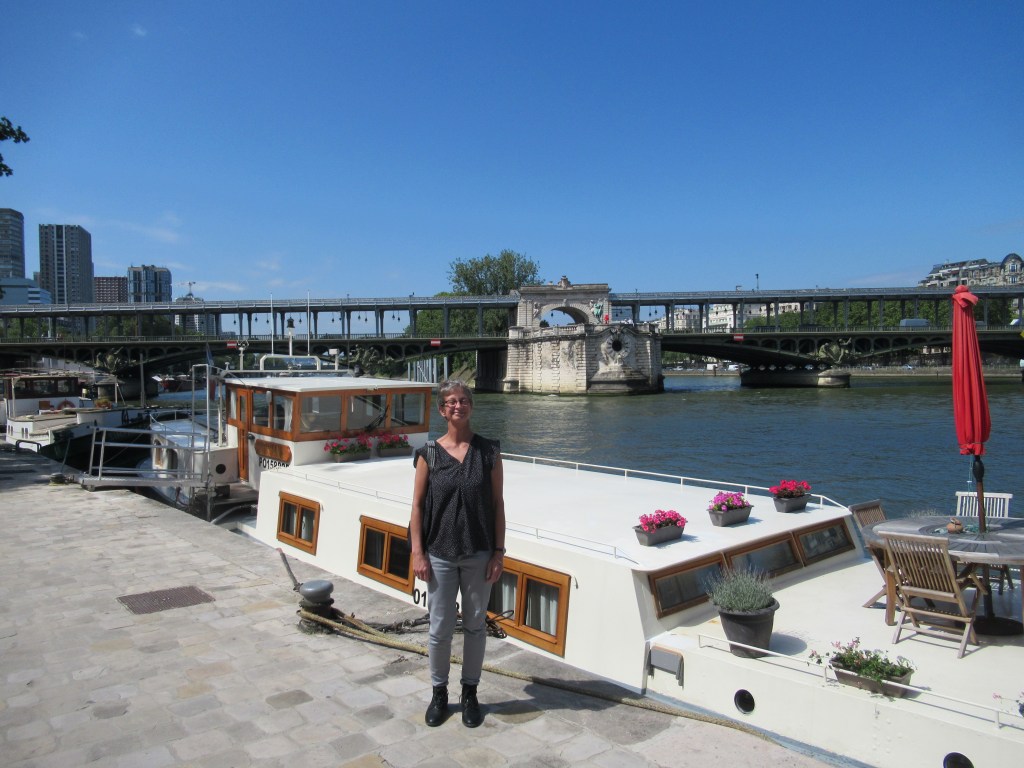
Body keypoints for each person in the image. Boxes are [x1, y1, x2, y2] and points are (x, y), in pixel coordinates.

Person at [410, 379, 506, 728]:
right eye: (451, 401)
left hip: (479, 551)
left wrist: (498, 552)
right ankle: (439, 693)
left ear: (471, 406)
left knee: (476, 625)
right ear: (442, 410)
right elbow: (418, 506)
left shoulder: (489, 452)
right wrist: (418, 552)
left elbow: (497, 504)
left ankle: (470, 693)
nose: (458, 406)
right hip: (439, 552)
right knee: (440, 627)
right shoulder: (429, 454)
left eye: (463, 400)